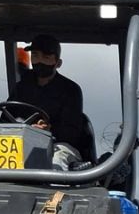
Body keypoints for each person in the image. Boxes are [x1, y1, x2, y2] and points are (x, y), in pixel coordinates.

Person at [11, 34, 96, 162]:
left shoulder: (70, 90)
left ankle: (56, 181)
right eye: (35, 55)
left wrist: (48, 130)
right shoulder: (21, 87)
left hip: (58, 144)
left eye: (46, 57)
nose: (39, 61)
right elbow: (4, 119)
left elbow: (72, 133)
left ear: (58, 63)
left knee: (56, 159)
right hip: (20, 142)